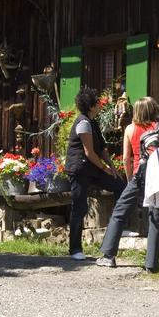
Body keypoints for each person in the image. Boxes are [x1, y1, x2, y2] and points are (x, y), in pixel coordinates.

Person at [96, 97, 159, 273]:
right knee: (156, 219)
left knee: (119, 212)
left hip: (140, 175)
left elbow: (126, 158)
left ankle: (108, 256)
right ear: (154, 109)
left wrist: (131, 179)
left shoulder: (130, 129)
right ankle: (151, 265)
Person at [65, 86, 126, 261]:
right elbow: (89, 152)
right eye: (97, 102)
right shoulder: (83, 122)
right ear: (91, 106)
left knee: (121, 186)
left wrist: (112, 168)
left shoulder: (93, 122)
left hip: (93, 168)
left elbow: (102, 149)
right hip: (80, 170)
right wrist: (104, 168)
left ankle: (118, 225)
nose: (100, 105)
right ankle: (75, 249)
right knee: (80, 208)